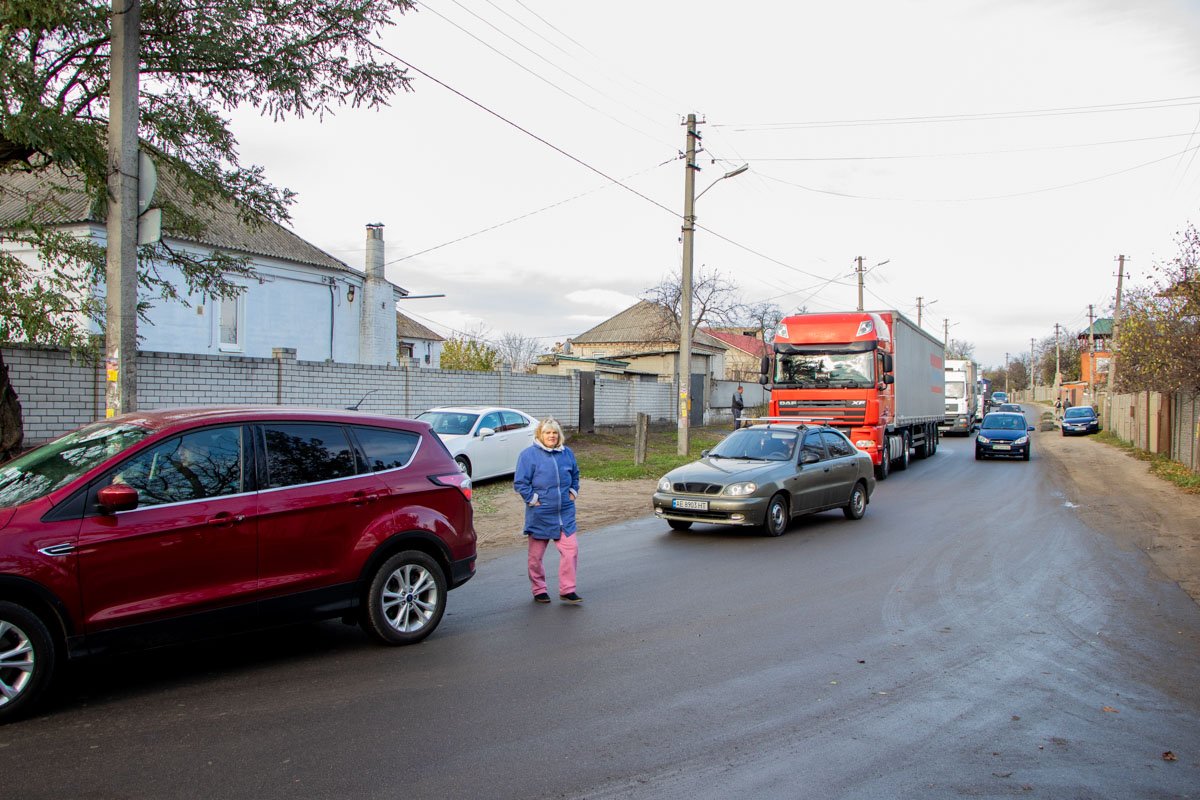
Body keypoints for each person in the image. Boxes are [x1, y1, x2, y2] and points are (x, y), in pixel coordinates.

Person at [514, 417, 583, 604]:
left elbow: (575, 474)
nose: (551, 436)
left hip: (565, 513)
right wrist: (533, 499)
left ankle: (567, 590)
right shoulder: (528, 455)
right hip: (540, 514)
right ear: (540, 435)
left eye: (554, 432)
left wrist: (573, 491)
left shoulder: (567, 453)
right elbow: (520, 482)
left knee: (571, 550)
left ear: (559, 435)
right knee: (535, 557)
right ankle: (539, 589)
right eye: (547, 432)